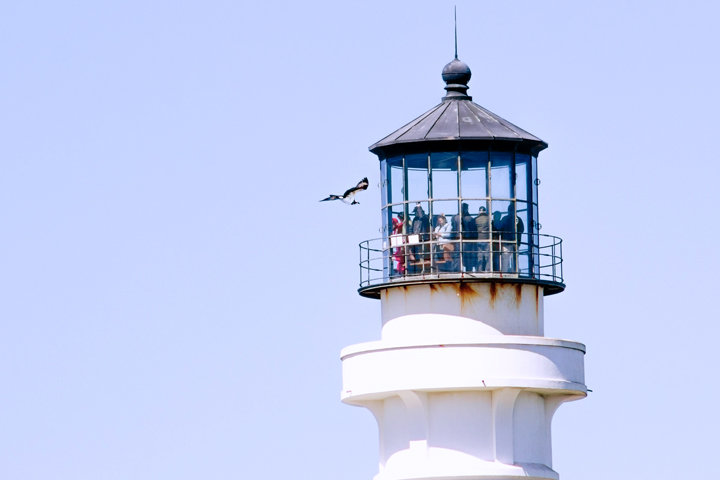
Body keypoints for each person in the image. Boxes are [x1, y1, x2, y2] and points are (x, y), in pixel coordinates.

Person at [497, 203, 524, 273]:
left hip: (506, 242)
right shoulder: (519, 219)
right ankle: (515, 271)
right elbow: (522, 229)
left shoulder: (505, 219)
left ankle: (504, 272)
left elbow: (499, 227)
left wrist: (496, 221)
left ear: (508, 210)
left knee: (505, 258)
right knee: (515, 258)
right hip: (516, 242)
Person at [408, 203, 430, 274]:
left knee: (422, 252)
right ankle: (417, 267)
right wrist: (411, 235)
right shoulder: (415, 219)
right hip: (416, 238)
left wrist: (419, 207)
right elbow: (411, 228)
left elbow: (421, 216)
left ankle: (423, 267)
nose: (415, 214)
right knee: (415, 251)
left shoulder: (425, 218)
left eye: (416, 212)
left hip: (423, 238)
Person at [475, 206, 491, 271]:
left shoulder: (476, 219)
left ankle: (480, 270)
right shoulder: (488, 219)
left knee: (480, 256)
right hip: (487, 239)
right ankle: (488, 269)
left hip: (479, 239)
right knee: (487, 256)